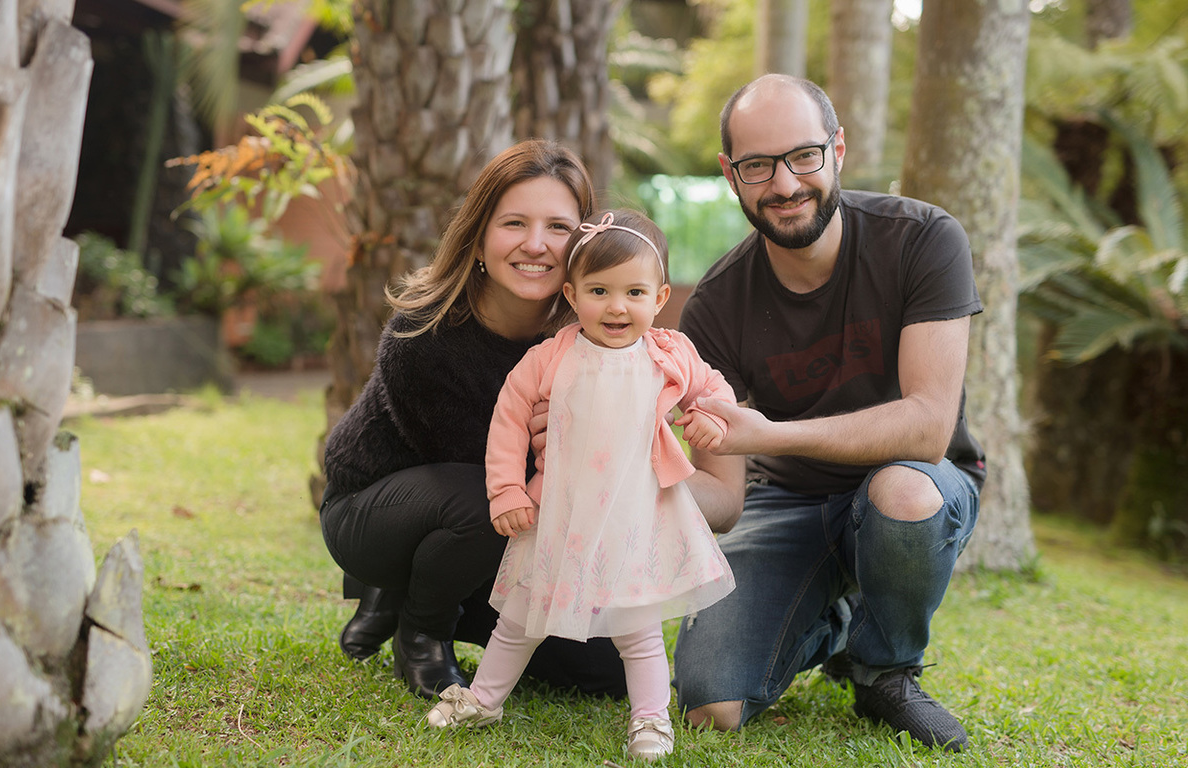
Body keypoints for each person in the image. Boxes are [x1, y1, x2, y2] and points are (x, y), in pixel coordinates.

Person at [671, 74, 986, 752]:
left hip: (915, 485)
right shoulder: (715, 308)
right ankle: (836, 619)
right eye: (758, 165)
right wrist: (632, 463)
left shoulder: (923, 240)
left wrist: (774, 432)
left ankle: (885, 673)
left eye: (803, 156)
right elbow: (724, 503)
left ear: (837, 148)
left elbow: (929, 426)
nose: (784, 184)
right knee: (711, 707)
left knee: (899, 490)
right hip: (784, 501)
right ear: (731, 175)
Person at [319, 140, 632, 701]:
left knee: (604, 672)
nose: (535, 245)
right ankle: (421, 630)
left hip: (493, 530)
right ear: (480, 237)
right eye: (514, 223)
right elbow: (497, 474)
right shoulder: (423, 335)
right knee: (496, 497)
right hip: (375, 511)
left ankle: (413, 589)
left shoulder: (588, 337)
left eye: (559, 228)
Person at [423, 209, 738, 761]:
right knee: (519, 620)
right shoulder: (551, 356)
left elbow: (714, 392)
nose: (617, 307)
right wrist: (507, 490)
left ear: (660, 296)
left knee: (637, 632)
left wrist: (712, 418)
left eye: (634, 291)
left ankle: (649, 720)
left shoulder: (669, 355)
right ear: (571, 294)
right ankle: (484, 699)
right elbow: (509, 420)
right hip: (559, 516)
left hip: (635, 517)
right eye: (599, 290)